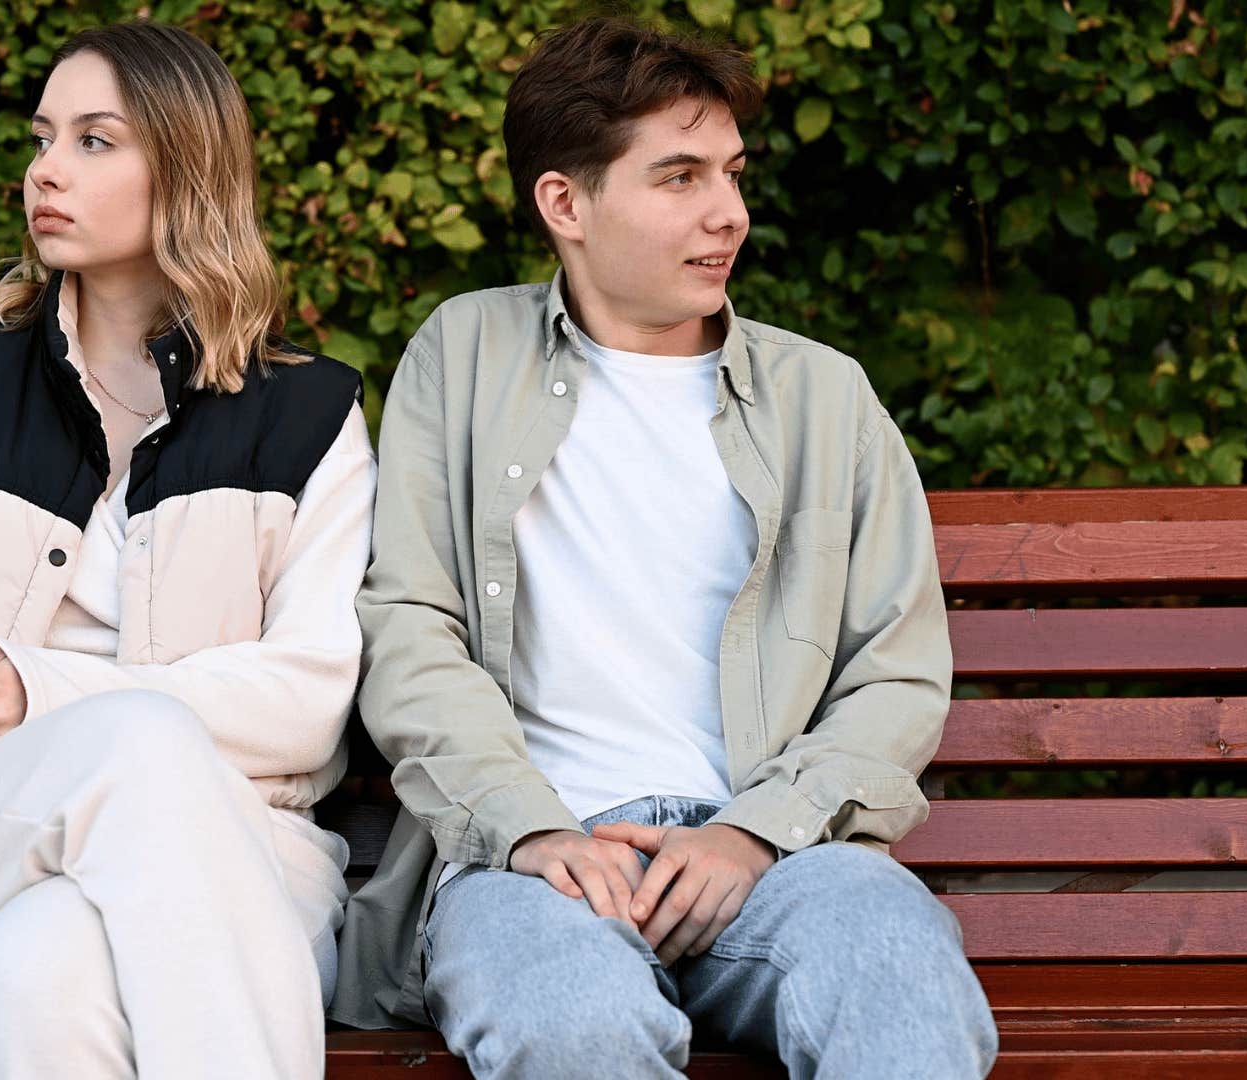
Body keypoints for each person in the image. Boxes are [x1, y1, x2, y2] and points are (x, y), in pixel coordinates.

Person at [333, 16, 998, 1078]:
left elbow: (895, 667)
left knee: (897, 970)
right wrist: (531, 830)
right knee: (571, 1024)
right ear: (566, 204)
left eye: (731, 173)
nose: (726, 213)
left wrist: (753, 835)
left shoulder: (824, 397)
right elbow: (411, 624)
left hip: (775, 855)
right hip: (532, 864)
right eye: (678, 176)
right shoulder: (463, 355)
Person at [0, 21, 374, 1080]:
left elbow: (309, 700)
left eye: (95, 141)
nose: (45, 170)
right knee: (139, 743)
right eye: (44, 137)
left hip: (243, 860)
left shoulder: (308, 417)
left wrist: (38, 693)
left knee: (45, 971)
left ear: (189, 170)